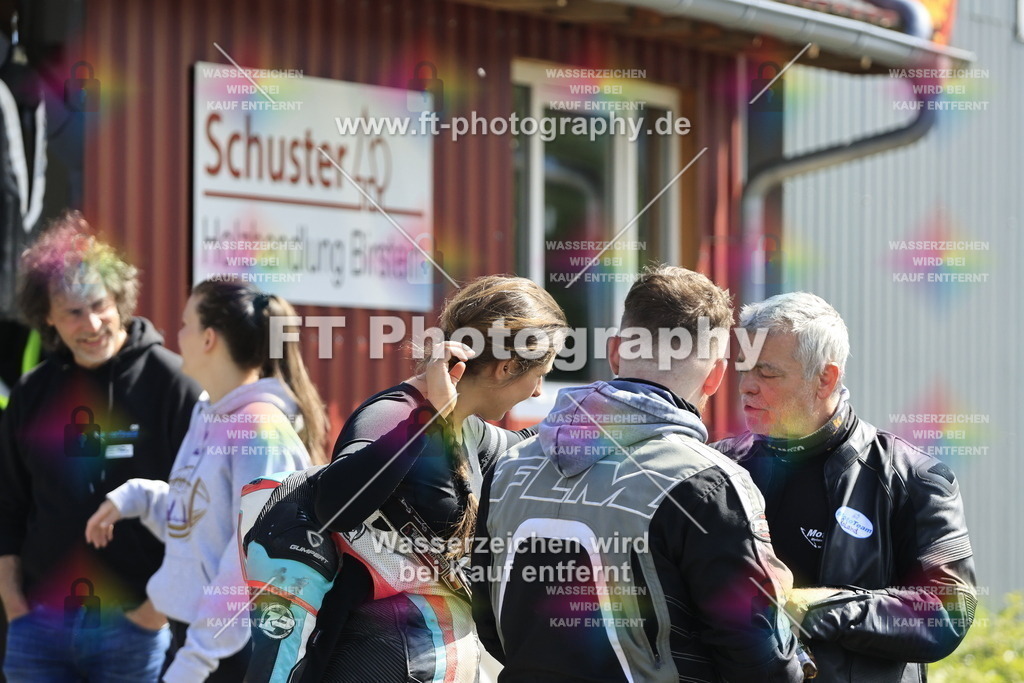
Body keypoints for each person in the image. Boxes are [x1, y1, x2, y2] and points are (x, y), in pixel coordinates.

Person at [471, 265, 802, 682]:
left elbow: (492, 625)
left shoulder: (510, 466)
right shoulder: (712, 484)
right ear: (716, 375)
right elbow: (761, 661)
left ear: (614, 352)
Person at [240, 274, 569, 682]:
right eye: (540, 375)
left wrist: (604, 410)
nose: (539, 392)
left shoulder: (466, 428)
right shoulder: (395, 414)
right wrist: (427, 419)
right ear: (505, 368)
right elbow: (335, 503)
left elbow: (522, 444)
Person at [712, 292, 976, 682]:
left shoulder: (911, 477)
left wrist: (811, 608)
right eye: (743, 369)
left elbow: (950, 612)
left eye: (767, 373)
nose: (746, 387)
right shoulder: (716, 468)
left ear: (825, 379)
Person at [84, 279, 329, 682]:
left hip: (229, 653)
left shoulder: (261, 429)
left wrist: (196, 660)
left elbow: (248, 556)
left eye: (185, 324)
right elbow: (201, 521)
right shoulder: (209, 415)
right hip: (200, 641)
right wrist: (139, 498)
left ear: (209, 338)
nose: (177, 335)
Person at [0, 213, 201, 681]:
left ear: (121, 301)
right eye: (72, 312)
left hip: (135, 627)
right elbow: (7, 507)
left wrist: (153, 612)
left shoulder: (173, 384)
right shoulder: (32, 393)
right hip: (39, 630)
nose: (91, 324)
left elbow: (205, 507)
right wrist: (15, 607)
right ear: (47, 316)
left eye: (99, 305)